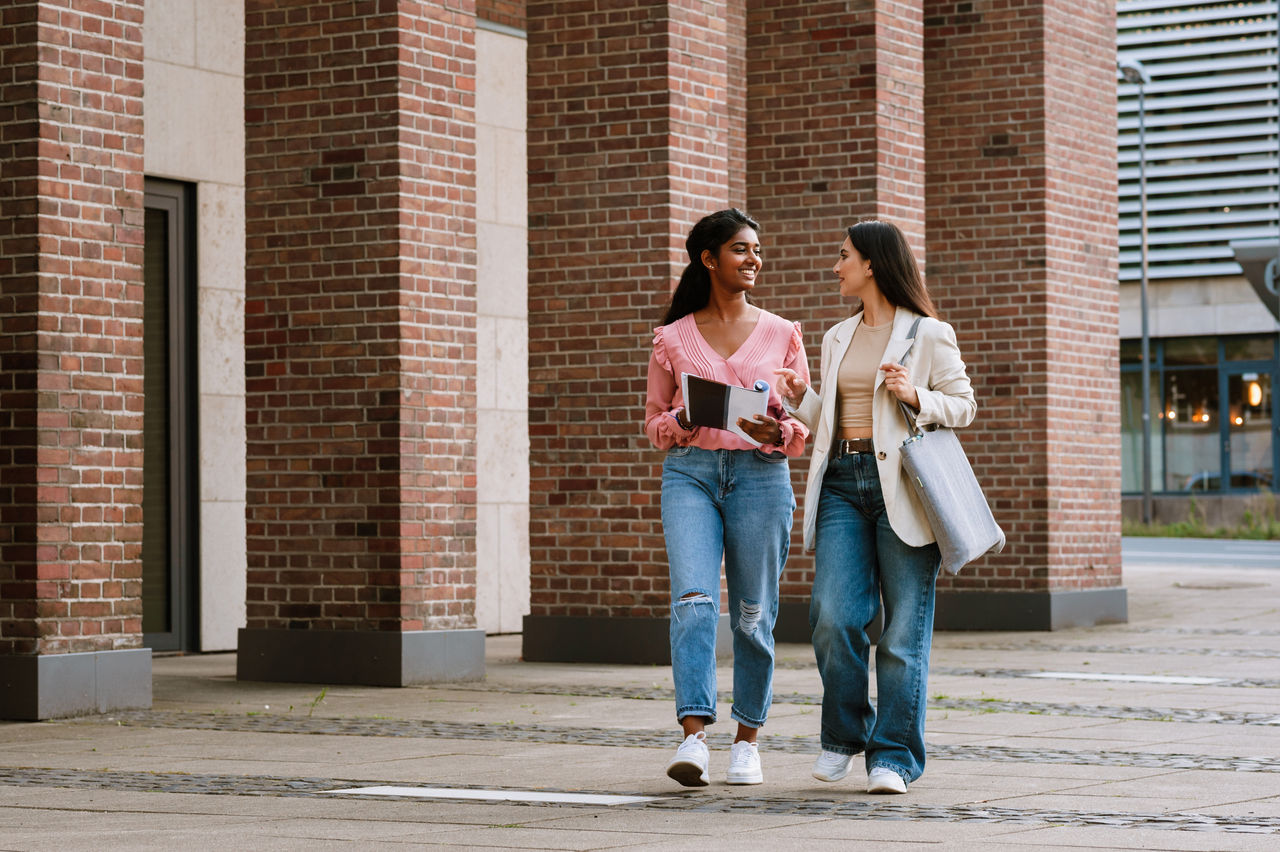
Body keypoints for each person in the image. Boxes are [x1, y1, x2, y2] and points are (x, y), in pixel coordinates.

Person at [775, 220, 976, 794]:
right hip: (842, 479)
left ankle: (893, 757)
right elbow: (831, 422)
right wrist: (801, 399)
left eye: (843, 256)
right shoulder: (836, 336)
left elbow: (964, 406)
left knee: (901, 633)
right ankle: (843, 735)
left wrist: (917, 396)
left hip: (905, 489)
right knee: (833, 616)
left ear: (872, 264)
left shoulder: (930, 334)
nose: (835, 267)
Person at [644, 208, 811, 787]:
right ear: (708, 258)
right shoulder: (672, 337)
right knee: (693, 602)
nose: (754, 260)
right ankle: (693, 737)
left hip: (761, 478)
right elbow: (653, 424)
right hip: (689, 474)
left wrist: (778, 431)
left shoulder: (783, 333)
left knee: (752, 615)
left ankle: (747, 741)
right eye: (741, 249)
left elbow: (803, 421)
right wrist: (682, 417)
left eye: (757, 250)